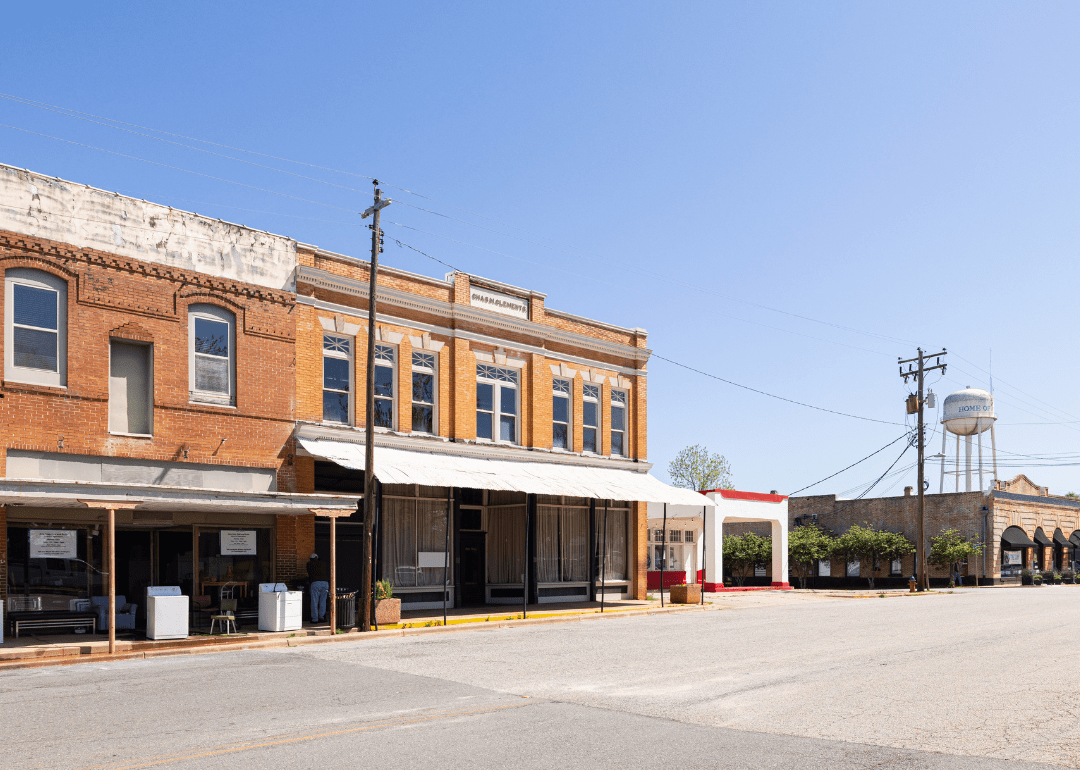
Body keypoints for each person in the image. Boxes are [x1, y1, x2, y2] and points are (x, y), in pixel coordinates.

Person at [307, 553, 330, 623]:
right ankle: (322, 617)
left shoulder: (309, 564)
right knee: (323, 601)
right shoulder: (323, 564)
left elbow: (309, 573)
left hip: (315, 583)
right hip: (325, 583)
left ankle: (315, 619)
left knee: (314, 601)